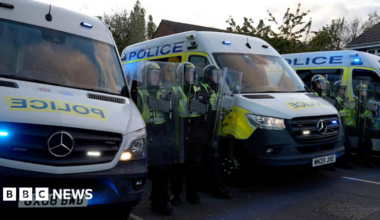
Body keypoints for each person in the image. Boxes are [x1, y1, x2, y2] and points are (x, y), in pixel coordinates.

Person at [135, 62, 181, 215]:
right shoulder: (140, 92)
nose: (154, 77)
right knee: (159, 169)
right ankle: (163, 201)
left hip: (163, 133)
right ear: (145, 76)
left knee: (165, 169)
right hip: (148, 134)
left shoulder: (164, 91)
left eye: (156, 74)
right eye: (151, 74)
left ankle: (157, 200)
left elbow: (173, 112)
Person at [170, 62, 210, 205]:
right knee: (179, 166)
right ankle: (176, 194)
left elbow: (207, 108)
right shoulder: (174, 89)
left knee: (195, 165)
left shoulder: (199, 88)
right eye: (187, 73)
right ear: (181, 75)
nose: (190, 76)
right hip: (181, 131)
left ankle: (192, 193)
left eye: (192, 73)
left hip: (197, 131)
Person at [198, 64, 232, 199]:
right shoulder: (202, 89)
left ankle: (216, 185)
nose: (217, 77)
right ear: (208, 76)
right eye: (214, 74)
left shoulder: (219, 89)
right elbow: (202, 108)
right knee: (205, 159)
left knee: (215, 158)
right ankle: (204, 184)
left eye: (219, 74)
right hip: (205, 130)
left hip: (216, 129)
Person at [311, 75, 336, 171]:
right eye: (320, 83)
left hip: (324, 123)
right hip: (316, 124)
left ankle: (328, 164)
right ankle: (316, 166)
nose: (322, 85)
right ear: (315, 84)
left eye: (322, 83)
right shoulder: (312, 95)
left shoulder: (322, 94)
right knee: (318, 146)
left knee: (327, 145)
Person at [333, 80, 354, 169]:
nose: (342, 90)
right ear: (336, 89)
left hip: (344, 125)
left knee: (345, 144)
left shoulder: (344, 98)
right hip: (337, 126)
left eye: (343, 88)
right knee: (344, 144)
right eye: (340, 88)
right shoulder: (334, 99)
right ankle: (342, 162)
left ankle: (343, 162)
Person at [355, 83, 376, 168]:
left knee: (362, 144)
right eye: (363, 91)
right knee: (368, 144)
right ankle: (367, 161)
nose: (365, 93)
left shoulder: (366, 101)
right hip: (363, 125)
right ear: (359, 92)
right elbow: (359, 114)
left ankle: (360, 160)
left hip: (367, 125)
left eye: (365, 91)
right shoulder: (359, 102)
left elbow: (374, 111)